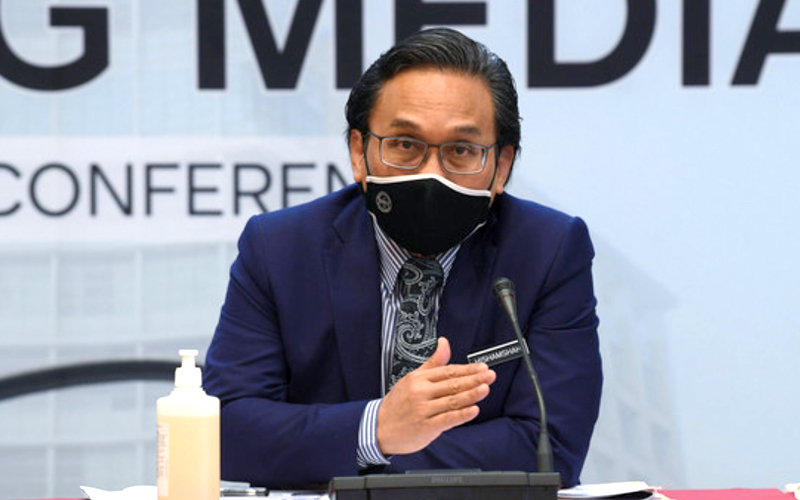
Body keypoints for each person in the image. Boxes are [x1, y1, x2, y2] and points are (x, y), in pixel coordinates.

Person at [203, 27, 602, 489]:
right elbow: (226, 432)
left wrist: (371, 451)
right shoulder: (280, 248)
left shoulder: (549, 251)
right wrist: (376, 429)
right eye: (405, 145)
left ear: (502, 167)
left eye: (461, 150)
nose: (431, 174)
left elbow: (551, 446)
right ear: (359, 152)